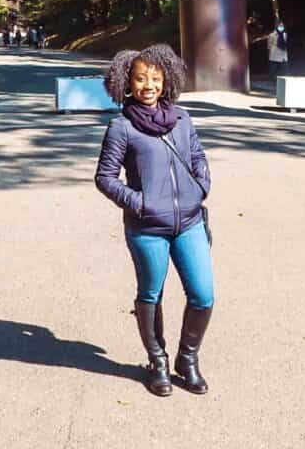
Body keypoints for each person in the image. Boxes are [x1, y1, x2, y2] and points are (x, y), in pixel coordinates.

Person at [95, 44, 214, 398]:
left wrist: (201, 187)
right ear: (127, 83)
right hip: (147, 228)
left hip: (190, 222)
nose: (148, 85)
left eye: (155, 78)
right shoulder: (121, 127)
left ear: (166, 80)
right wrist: (141, 203)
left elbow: (197, 156)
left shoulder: (182, 119)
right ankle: (157, 361)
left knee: (203, 295)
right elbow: (105, 177)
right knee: (151, 293)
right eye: (140, 79)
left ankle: (187, 360)